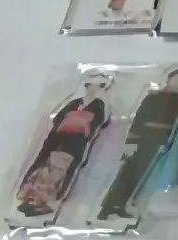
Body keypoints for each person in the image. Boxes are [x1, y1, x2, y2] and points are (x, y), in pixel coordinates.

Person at [97, 68, 178, 222]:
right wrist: (131, 141)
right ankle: (107, 207)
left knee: (140, 174)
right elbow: (139, 117)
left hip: (158, 138)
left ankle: (122, 205)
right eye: (176, 78)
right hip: (142, 135)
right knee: (126, 172)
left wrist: (165, 140)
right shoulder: (153, 96)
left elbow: (177, 120)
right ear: (169, 79)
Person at [18, 72, 112, 216]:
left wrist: (81, 125)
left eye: (100, 85)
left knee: (60, 167)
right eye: (89, 85)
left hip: (76, 140)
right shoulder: (75, 102)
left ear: (104, 87)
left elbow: (100, 122)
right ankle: (28, 195)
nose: (93, 88)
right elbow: (58, 118)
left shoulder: (100, 104)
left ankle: (42, 200)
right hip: (57, 137)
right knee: (42, 164)